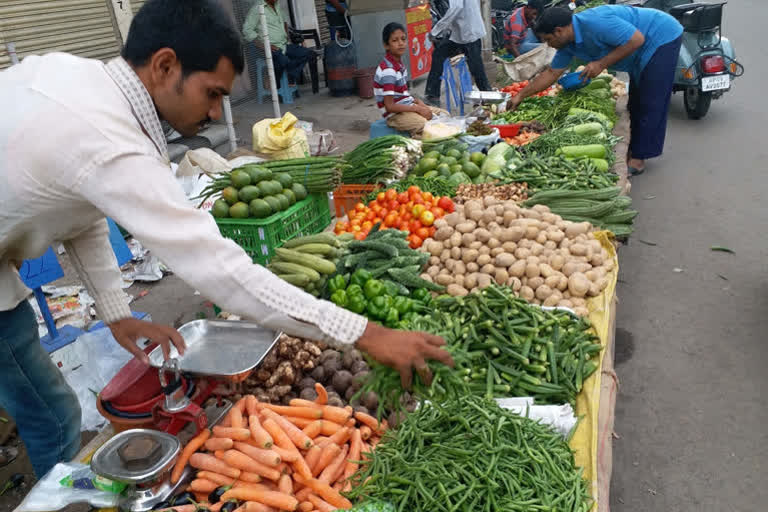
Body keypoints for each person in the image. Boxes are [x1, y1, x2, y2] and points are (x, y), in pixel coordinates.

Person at [0, 0, 453, 478]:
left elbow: (83, 207)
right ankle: (59, 498)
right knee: (53, 416)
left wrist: (114, 312)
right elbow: (221, 271)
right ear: (164, 65)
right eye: (212, 94)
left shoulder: (85, 85)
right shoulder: (109, 139)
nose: (217, 114)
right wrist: (365, 332)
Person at [507, 6, 683, 176]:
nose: (550, 45)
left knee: (650, 99)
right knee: (636, 101)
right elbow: (552, 73)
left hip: (661, 35)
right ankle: (634, 149)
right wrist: (520, 95)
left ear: (559, 31)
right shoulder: (567, 44)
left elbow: (636, 39)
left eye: (548, 40)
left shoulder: (595, 22)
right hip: (640, 49)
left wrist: (601, 64)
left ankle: (638, 159)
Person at [375, 23, 446, 138]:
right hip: (395, 115)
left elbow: (402, 94)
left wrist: (419, 103)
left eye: (403, 39)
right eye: (395, 40)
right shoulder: (389, 70)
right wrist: (417, 109)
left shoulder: (399, 64)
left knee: (444, 115)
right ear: (386, 45)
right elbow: (390, 106)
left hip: (407, 106)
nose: (400, 43)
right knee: (426, 126)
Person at [424, 0, 492, 106]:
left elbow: (456, 8)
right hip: (460, 33)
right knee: (439, 54)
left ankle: (488, 96)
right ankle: (432, 94)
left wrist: (436, 30)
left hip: (469, 32)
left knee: (476, 68)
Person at [242, 0, 315, 85]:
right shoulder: (257, 8)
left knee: (310, 54)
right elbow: (247, 30)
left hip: (284, 44)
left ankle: (291, 74)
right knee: (283, 61)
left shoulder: (277, 5)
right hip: (269, 48)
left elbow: (284, 21)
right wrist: (266, 46)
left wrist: (287, 36)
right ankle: (276, 85)